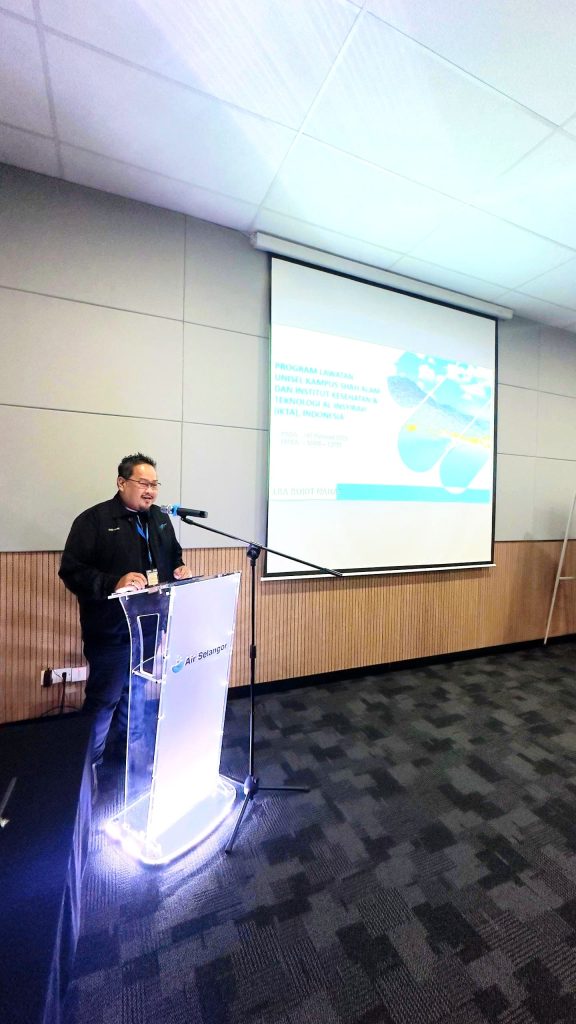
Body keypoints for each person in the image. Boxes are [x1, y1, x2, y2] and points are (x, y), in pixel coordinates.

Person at [59, 453, 193, 770]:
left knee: (136, 694)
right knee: (105, 699)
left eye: (155, 484)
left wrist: (179, 569)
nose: (151, 491)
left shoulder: (160, 519)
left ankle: (126, 758)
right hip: (111, 631)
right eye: (143, 483)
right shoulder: (94, 521)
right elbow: (71, 571)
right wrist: (113, 582)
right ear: (121, 483)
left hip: (150, 627)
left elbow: (173, 555)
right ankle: (87, 768)